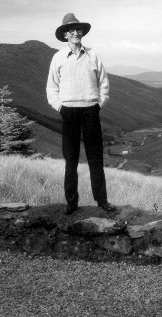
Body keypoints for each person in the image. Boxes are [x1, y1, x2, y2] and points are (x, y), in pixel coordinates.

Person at [46, 13, 116, 215]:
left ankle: (102, 201)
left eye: (78, 29)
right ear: (65, 35)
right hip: (68, 112)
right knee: (71, 159)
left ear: (82, 33)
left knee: (95, 158)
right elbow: (52, 87)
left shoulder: (93, 55)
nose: (75, 33)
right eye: (71, 30)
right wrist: (60, 107)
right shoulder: (58, 58)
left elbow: (103, 83)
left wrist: (98, 104)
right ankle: (71, 203)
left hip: (90, 111)